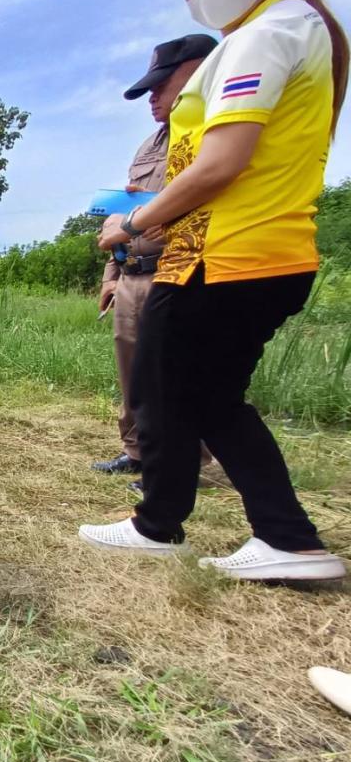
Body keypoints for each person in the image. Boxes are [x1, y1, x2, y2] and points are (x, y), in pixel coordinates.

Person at [80, 0, 347, 581]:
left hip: (234, 255)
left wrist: (134, 224)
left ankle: (283, 536)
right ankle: (165, 522)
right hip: (226, 252)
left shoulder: (267, 35)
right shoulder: (286, 27)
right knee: (179, 390)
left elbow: (221, 163)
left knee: (196, 394)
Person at [93, 34, 218, 480]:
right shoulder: (149, 146)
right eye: (149, 90)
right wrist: (112, 273)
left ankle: (183, 462)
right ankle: (139, 452)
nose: (153, 98)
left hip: (179, 270)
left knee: (176, 373)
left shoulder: (213, 136)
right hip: (133, 274)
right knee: (135, 375)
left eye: (161, 87)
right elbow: (124, 216)